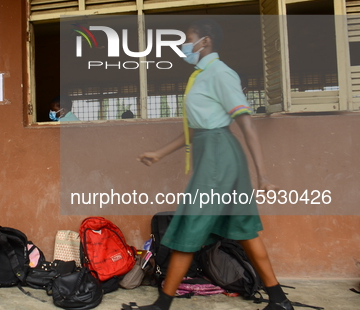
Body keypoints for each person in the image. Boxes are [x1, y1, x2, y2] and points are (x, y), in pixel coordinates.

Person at [122, 19, 291, 310]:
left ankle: (163, 305)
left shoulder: (220, 74)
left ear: (206, 41)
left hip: (219, 157)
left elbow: (246, 125)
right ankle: (279, 300)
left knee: (190, 226)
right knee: (243, 229)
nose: (184, 46)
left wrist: (263, 174)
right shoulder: (200, 76)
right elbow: (193, 128)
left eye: (189, 39)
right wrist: (160, 153)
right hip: (212, 153)